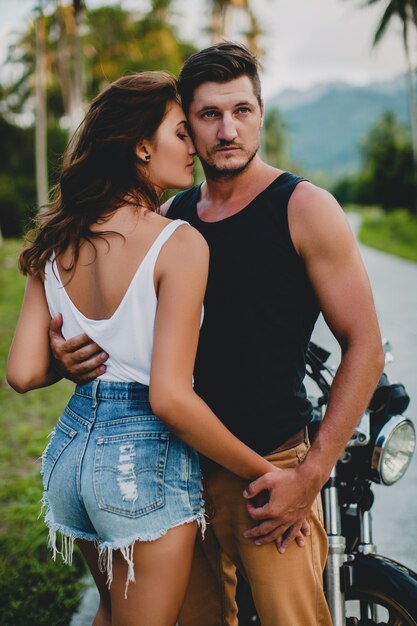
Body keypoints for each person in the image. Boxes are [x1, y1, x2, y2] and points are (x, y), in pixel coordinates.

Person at [47, 44, 384, 626]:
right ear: (187, 125)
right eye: (208, 115)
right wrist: (66, 356)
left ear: (260, 112)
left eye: (243, 110)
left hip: (270, 471)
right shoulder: (172, 217)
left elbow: (366, 346)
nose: (228, 130)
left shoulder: (303, 208)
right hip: (172, 471)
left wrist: (308, 478)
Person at [6, 71, 295, 626]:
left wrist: (67, 366)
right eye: (182, 133)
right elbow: (169, 398)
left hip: (71, 454)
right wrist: (267, 475)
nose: (196, 148)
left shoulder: (58, 238)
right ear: (142, 145)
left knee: (115, 614)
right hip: (139, 461)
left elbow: (22, 373)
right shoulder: (178, 242)